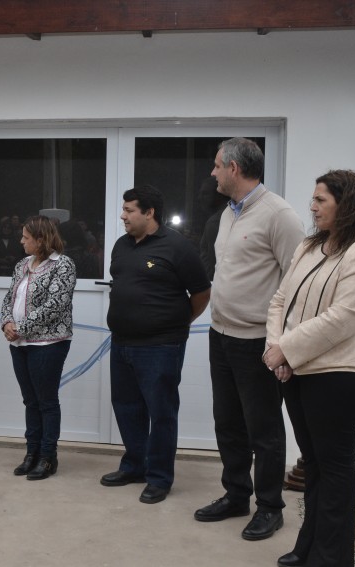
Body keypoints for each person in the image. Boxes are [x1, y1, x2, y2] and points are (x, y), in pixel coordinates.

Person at [264, 170, 355, 567]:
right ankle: (308, 546)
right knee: (312, 464)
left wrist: (286, 350)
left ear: (345, 204)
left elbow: (342, 318)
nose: (312, 207)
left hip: (342, 376)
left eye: (321, 200)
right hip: (301, 372)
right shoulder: (309, 246)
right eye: (313, 199)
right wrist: (277, 349)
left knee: (333, 469)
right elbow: (280, 301)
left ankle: (331, 558)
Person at [194, 138, 304, 540]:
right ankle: (236, 495)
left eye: (216, 165)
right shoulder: (228, 213)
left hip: (257, 342)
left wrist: (284, 344)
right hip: (221, 335)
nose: (213, 172)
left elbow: (298, 284)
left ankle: (270, 507)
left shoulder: (279, 215)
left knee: (264, 430)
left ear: (234, 168)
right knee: (228, 423)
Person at [101, 185, 211, 504]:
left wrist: (177, 322)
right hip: (122, 342)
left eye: (129, 210)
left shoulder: (178, 247)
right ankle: (135, 466)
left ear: (149, 213)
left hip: (161, 346)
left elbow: (201, 293)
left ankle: (160, 477)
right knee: (127, 408)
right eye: (123, 209)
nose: (122, 216)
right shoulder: (122, 245)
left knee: (161, 412)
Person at [0, 215, 76, 480]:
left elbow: (55, 305)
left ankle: (47, 457)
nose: (21, 241)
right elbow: (9, 298)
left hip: (48, 344)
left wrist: (20, 327)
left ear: (41, 240)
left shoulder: (63, 264)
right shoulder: (22, 264)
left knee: (46, 401)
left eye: (26, 237)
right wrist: (6, 323)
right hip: (19, 344)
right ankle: (31, 454)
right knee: (30, 401)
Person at [196, 176, 228, 280]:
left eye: (205, 194)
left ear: (219, 195)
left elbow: (215, 266)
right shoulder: (228, 216)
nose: (199, 198)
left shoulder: (216, 222)